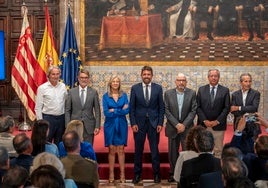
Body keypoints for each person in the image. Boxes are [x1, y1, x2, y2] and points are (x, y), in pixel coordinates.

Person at [130, 65, 165, 184]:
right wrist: (133, 123)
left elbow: (161, 107)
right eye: (144, 74)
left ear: (152, 76)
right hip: (138, 125)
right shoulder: (135, 88)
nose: (146, 76)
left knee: (154, 151)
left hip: (154, 124)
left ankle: (156, 175)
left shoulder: (158, 88)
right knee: (138, 150)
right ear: (141, 75)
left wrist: (160, 122)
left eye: (148, 74)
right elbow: (132, 108)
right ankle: (137, 174)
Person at [164, 73, 197, 182]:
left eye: (183, 80)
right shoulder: (168, 93)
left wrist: (184, 124)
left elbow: (193, 111)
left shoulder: (192, 93)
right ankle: (173, 173)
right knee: (172, 152)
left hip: (186, 128)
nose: (181, 82)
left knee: (187, 151)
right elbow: (166, 110)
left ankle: (186, 174)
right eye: (179, 80)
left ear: (186, 82)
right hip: (172, 127)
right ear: (175, 81)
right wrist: (177, 124)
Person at [196, 69, 230, 158]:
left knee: (218, 150)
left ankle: (217, 170)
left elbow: (226, 108)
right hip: (204, 126)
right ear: (208, 77)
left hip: (218, 126)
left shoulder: (225, 90)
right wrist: (204, 120)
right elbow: (198, 107)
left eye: (216, 76)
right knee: (202, 150)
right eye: (211, 76)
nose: (214, 78)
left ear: (219, 77)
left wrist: (217, 121)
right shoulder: (201, 89)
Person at [102, 75, 129, 183]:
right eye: (113, 81)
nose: (115, 83)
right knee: (112, 149)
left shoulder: (124, 95)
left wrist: (114, 110)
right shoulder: (105, 96)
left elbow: (127, 110)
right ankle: (111, 173)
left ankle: (123, 174)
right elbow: (106, 112)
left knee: (121, 149)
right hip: (110, 125)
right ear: (110, 83)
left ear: (119, 84)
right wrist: (119, 110)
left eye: (117, 81)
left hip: (122, 124)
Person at [65, 69, 101, 145]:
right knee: (74, 149)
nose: (84, 79)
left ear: (88, 79)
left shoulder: (93, 92)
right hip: (74, 126)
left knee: (87, 149)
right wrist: (68, 125)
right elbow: (67, 110)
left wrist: (97, 126)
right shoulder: (71, 92)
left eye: (86, 77)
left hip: (89, 126)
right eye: (82, 77)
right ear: (78, 78)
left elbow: (97, 110)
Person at [35, 66, 67, 146]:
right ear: (48, 75)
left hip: (61, 119)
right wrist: (41, 123)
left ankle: (58, 158)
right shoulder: (42, 88)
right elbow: (38, 107)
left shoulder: (63, 86)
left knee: (59, 143)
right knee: (46, 142)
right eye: (53, 74)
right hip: (48, 119)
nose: (56, 76)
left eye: (57, 74)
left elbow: (66, 102)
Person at [231, 73, 261, 138]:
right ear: (241, 82)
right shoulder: (235, 94)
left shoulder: (256, 93)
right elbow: (232, 110)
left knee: (252, 145)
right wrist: (244, 114)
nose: (248, 83)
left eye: (250, 81)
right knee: (239, 144)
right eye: (246, 81)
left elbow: (254, 108)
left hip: (252, 122)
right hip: (238, 122)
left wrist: (238, 108)